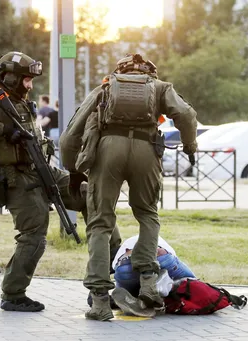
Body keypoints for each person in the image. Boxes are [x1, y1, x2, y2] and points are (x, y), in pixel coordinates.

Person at [0, 51, 122, 313]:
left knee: (91, 194)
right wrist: (3, 130)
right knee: (34, 236)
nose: (30, 85)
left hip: (42, 169)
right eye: (26, 80)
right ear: (10, 77)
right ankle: (13, 294)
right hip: (15, 178)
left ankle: (102, 281)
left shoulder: (18, 100)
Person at [60, 53, 198, 321]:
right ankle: (148, 282)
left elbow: (70, 135)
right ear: (149, 74)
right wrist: (190, 146)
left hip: (107, 151)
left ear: (120, 72)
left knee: (100, 222)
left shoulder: (105, 88)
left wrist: (73, 169)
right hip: (146, 151)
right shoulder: (159, 88)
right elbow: (185, 114)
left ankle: (100, 301)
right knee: (147, 215)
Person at [110, 235, 196, 317]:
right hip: (160, 257)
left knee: (123, 290)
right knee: (192, 282)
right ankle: (157, 292)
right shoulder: (154, 233)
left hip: (124, 266)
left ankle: (138, 299)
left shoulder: (125, 246)